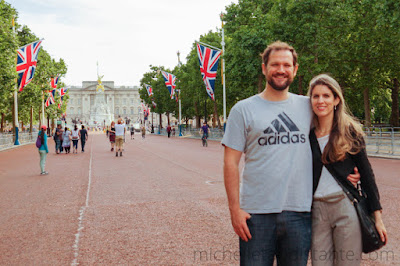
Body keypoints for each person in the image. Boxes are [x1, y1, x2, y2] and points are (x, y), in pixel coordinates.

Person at [222, 41, 360, 265]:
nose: (281, 69)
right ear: (264, 68)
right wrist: (234, 210)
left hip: (299, 213)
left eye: (286, 65)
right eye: (275, 64)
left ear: (295, 70)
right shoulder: (242, 109)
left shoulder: (310, 106)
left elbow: (336, 135)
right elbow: (230, 163)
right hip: (256, 214)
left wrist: (350, 171)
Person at [307, 74, 387, 265]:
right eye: (315, 96)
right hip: (316, 210)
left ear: (336, 99)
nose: (320, 101)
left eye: (326, 96)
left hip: (345, 206)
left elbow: (367, 176)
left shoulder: (350, 132)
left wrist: (377, 217)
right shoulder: (305, 135)